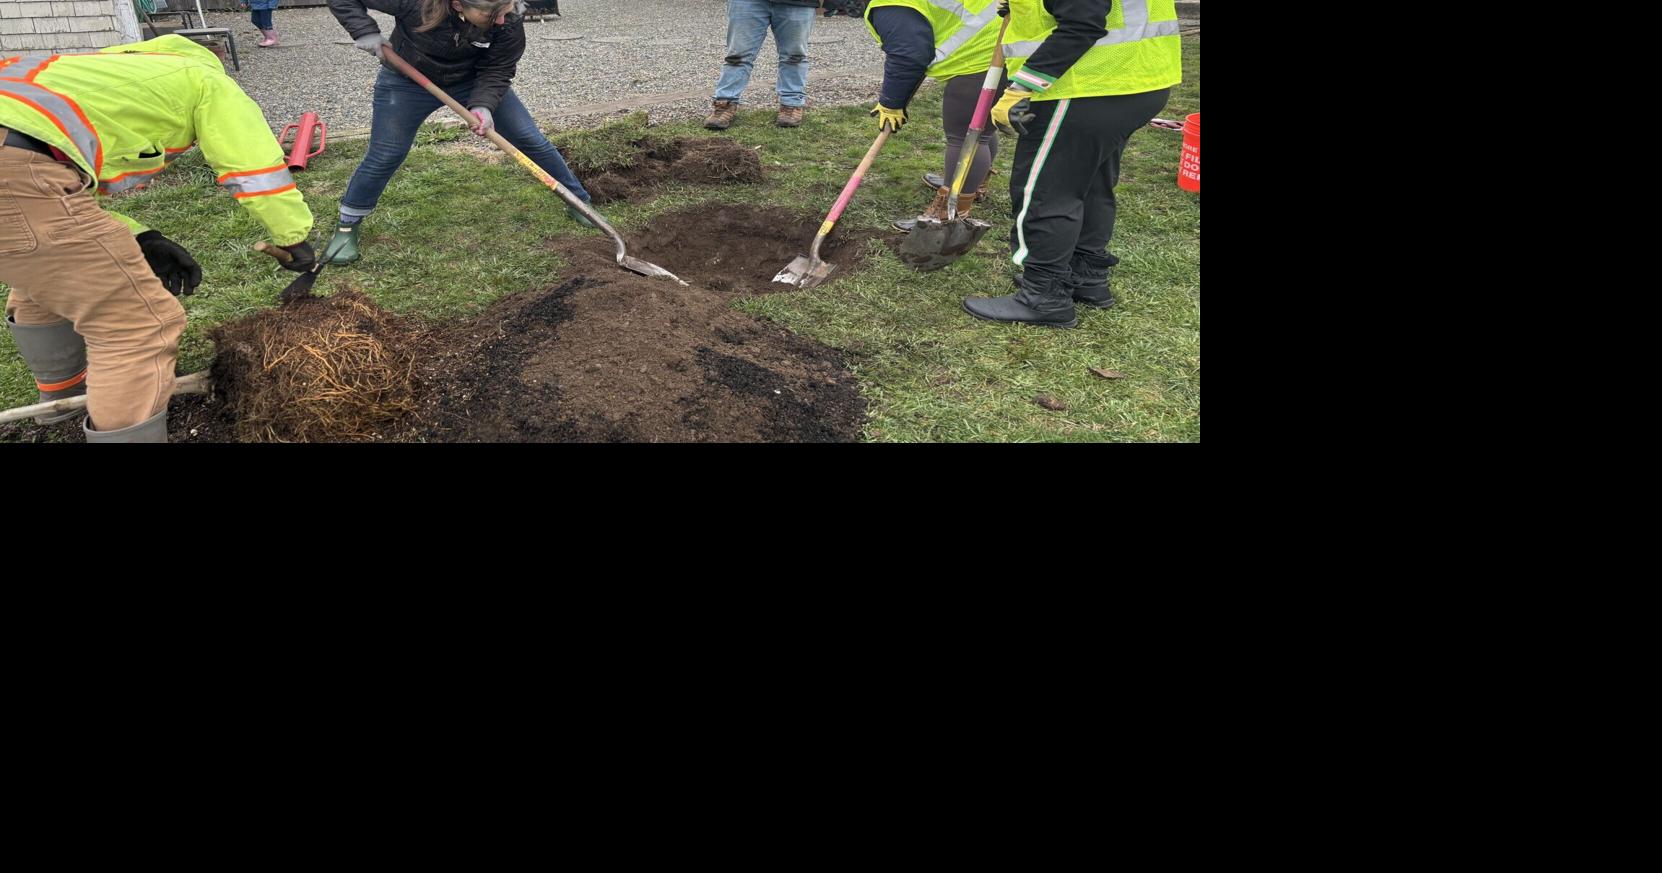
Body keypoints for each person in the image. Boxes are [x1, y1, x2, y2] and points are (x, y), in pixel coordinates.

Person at [1, 35, 316, 442]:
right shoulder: (205, 80)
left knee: (46, 271)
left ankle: (63, 399)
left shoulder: (96, 71)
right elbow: (255, 170)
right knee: (137, 324)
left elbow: (60, 195)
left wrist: (141, 235)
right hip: (15, 166)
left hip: (21, 162)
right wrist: (293, 239)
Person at [325, 0, 596, 265]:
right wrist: (365, 31)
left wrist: (483, 105)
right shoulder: (415, 3)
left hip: (472, 80)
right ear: (457, 5)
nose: (502, 20)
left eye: (505, 10)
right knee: (386, 154)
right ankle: (347, 226)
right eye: (492, 15)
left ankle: (579, 202)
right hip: (407, 80)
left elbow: (498, 68)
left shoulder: (508, 17)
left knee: (528, 138)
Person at [964, 0, 1180, 328]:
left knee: (1046, 189)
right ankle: (1086, 276)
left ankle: (1043, 295)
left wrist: (1021, 87)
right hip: (1138, 80)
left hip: (1083, 86)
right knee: (1091, 183)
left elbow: (1083, 23)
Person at [861, 0, 1004, 230]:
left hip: (985, 55)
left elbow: (909, 55)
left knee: (966, 136)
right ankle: (971, 184)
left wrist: (891, 103)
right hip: (1001, 44)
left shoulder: (891, 4)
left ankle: (950, 213)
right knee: (980, 130)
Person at [704, 0, 819, 130]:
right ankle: (725, 104)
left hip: (798, 3)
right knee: (737, 56)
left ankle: (791, 104)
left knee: (794, 56)